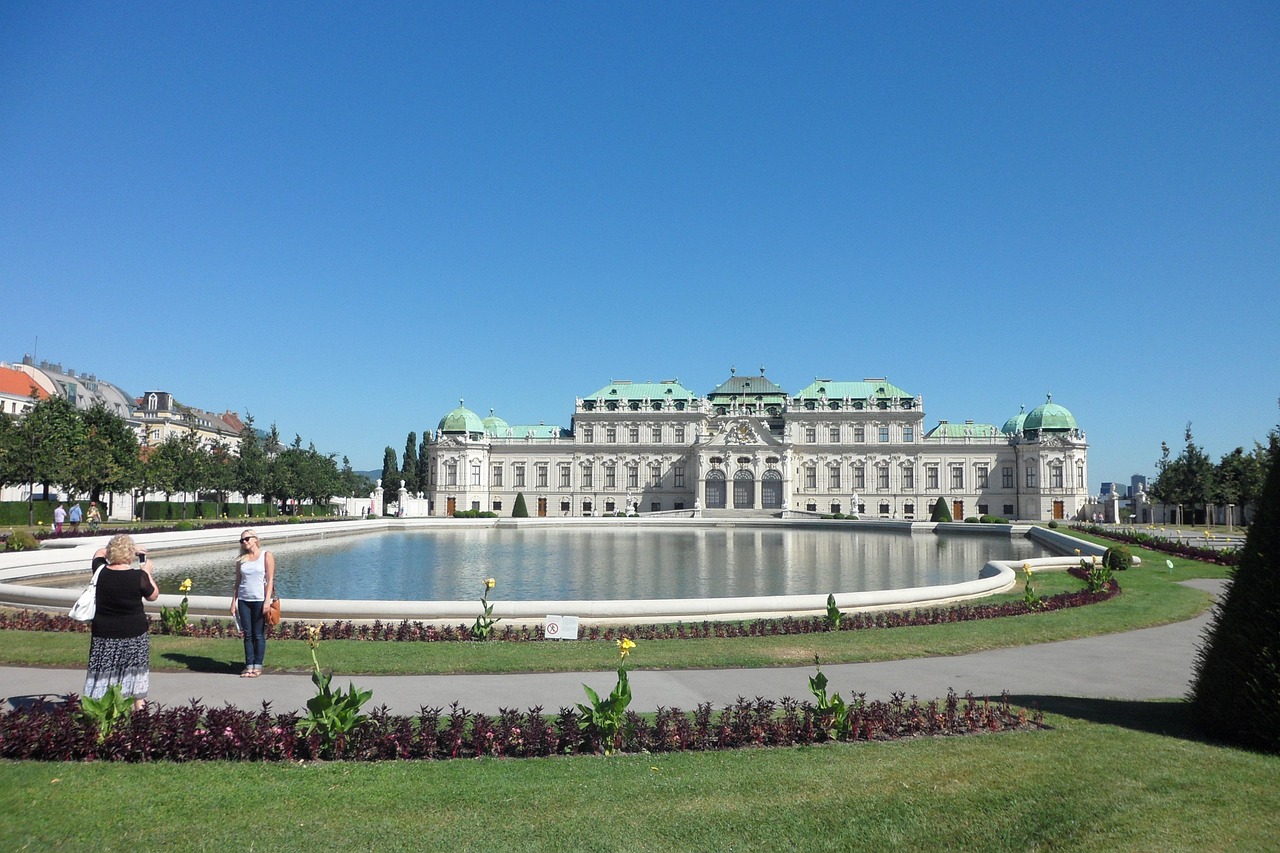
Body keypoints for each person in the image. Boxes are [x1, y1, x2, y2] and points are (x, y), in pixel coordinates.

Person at [83, 533, 158, 712]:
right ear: (130, 555)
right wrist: (147, 572)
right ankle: (138, 706)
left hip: (104, 632)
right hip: (133, 632)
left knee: (103, 668)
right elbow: (153, 595)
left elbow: (98, 553)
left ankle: (100, 706)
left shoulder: (100, 571)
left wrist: (122, 547)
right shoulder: (138, 576)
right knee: (134, 669)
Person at [230, 529, 275, 678]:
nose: (245, 542)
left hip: (259, 600)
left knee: (258, 634)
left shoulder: (266, 556)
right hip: (244, 600)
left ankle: (258, 666)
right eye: (242, 540)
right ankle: (249, 666)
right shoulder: (241, 559)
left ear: (255, 539)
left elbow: (270, 581)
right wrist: (233, 602)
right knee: (247, 635)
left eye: (247, 539)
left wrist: (267, 601)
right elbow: (237, 582)